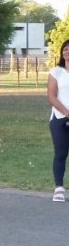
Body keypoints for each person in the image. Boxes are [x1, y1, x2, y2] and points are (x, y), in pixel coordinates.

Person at [47, 38, 69, 202]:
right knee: (61, 153)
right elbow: (51, 96)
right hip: (59, 118)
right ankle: (59, 188)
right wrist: (67, 112)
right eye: (65, 49)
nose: (67, 51)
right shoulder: (56, 72)